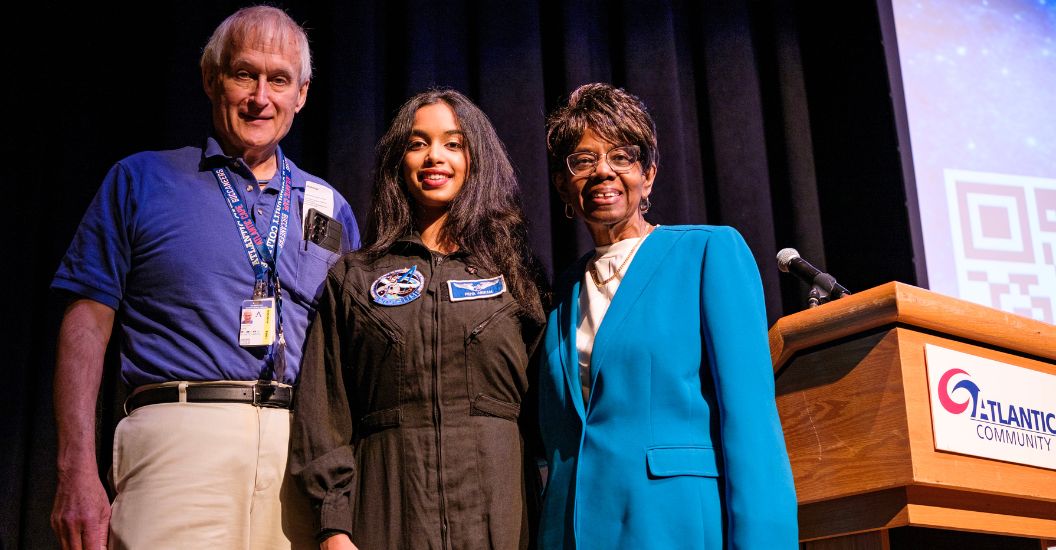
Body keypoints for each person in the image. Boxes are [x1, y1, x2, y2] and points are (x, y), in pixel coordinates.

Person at [49, 7, 359, 549]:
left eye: (279, 80)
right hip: (178, 441)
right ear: (211, 78)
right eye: (244, 74)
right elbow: (86, 326)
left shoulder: (331, 208)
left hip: (298, 459)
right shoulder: (141, 179)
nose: (261, 96)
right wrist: (75, 469)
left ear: (302, 94)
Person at [537, 83, 798, 549]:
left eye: (622, 157)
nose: (603, 172)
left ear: (649, 175)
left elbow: (751, 421)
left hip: (675, 527)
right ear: (562, 183)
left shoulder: (707, 253)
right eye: (583, 160)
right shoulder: (560, 293)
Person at [291, 89, 547, 550]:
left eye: (454, 143)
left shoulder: (515, 274)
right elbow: (323, 407)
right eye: (418, 143)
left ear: (478, 158)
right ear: (398, 161)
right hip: (387, 513)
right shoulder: (355, 277)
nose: (435, 156)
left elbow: (549, 412)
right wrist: (333, 527)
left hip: (501, 512)